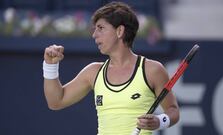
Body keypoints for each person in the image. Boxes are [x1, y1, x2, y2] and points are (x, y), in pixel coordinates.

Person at [43, 1, 179, 135]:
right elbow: (56, 101)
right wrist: (50, 65)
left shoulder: (152, 70)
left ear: (120, 31)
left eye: (100, 28)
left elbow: (173, 110)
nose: (94, 34)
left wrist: (159, 121)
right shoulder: (93, 72)